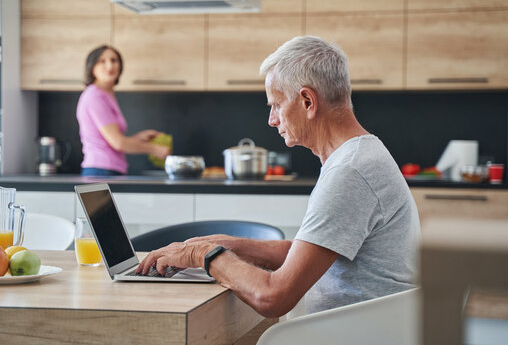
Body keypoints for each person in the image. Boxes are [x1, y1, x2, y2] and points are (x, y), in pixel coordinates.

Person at [136, 36, 420, 317]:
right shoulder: (358, 156)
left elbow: (273, 297)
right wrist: (230, 246)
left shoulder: (350, 172)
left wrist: (202, 256)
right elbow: (308, 255)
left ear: (308, 101)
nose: (272, 119)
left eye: (276, 105)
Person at [76, 45, 170, 176]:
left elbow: (113, 141)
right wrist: (153, 149)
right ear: (92, 67)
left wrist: (139, 138)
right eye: (102, 61)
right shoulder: (95, 96)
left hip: (108, 170)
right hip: (100, 171)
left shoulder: (106, 95)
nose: (110, 66)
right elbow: (118, 143)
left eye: (114, 60)